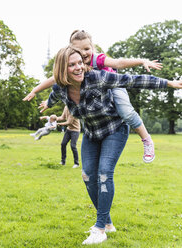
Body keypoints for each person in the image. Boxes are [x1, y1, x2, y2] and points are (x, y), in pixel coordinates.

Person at [39, 46, 182, 245]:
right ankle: (107, 223)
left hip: (114, 129)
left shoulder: (97, 78)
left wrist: (171, 84)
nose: (79, 67)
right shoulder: (60, 89)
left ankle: (99, 229)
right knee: (88, 177)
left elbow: (134, 81)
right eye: (72, 65)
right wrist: (46, 103)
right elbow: (53, 97)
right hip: (91, 133)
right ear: (62, 69)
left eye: (80, 62)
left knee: (104, 173)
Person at [23, 30, 162, 163]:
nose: (83, 53)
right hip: (98, 93)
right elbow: (54, 79)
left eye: (87, 49)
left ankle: (146, 139)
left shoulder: (97, 59)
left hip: (113, 85)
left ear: (92, 47)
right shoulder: (74, 63)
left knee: (125, 111)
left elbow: (119, 63)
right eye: (79, 50)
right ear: (72, 50)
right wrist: (35, 91)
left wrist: (142, 61)